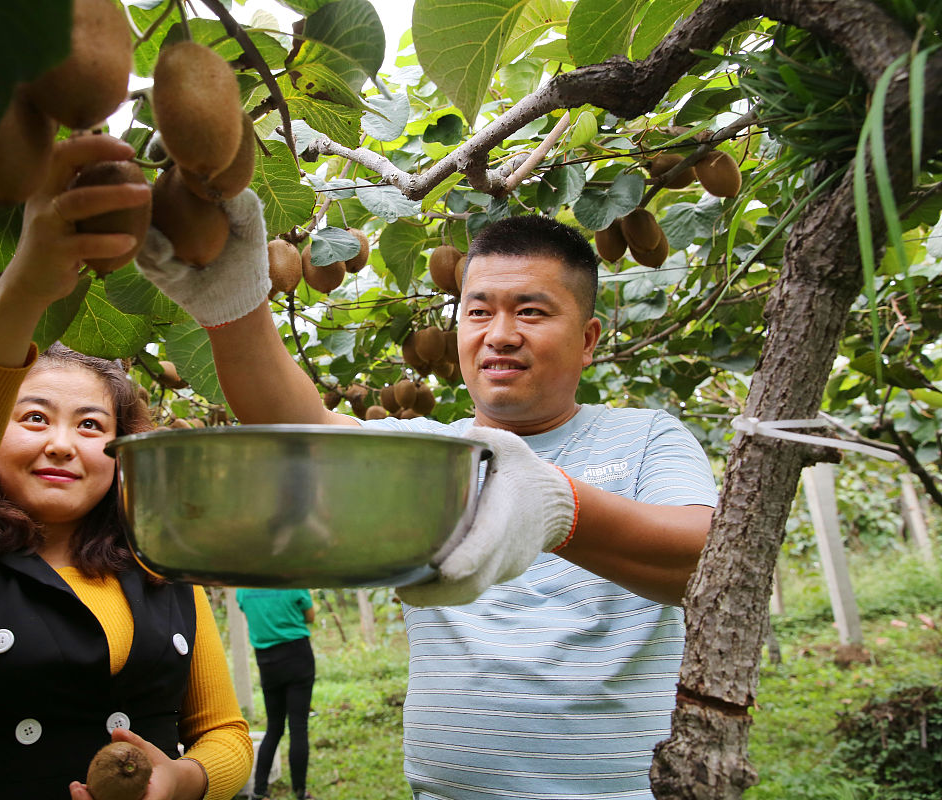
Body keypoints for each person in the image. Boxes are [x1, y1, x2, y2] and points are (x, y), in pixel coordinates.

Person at [135, 197, 719, 799]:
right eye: (478, 311)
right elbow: (296, 425)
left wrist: (560, 507)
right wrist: (236, 311)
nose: (500, 334)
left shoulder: (647, 436)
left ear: (589, 338)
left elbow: (708, 565)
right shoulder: (426, 457)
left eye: (532, 311)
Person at [0, 134, 253, 800]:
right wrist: (28, 285)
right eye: (33, 418)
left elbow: (226, 733)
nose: (64, 444)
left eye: (92, 426)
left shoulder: (159, 564)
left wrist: (185, 778)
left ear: (121, 451)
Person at [234, 589, 317, 800]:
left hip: (267, 661)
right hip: (297, 655)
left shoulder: (243, 588)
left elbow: (249, 613)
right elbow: (310, 616)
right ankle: (300, 792)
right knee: (298, 726)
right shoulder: (292, 581)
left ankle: (259, 791)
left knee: (274, 727)